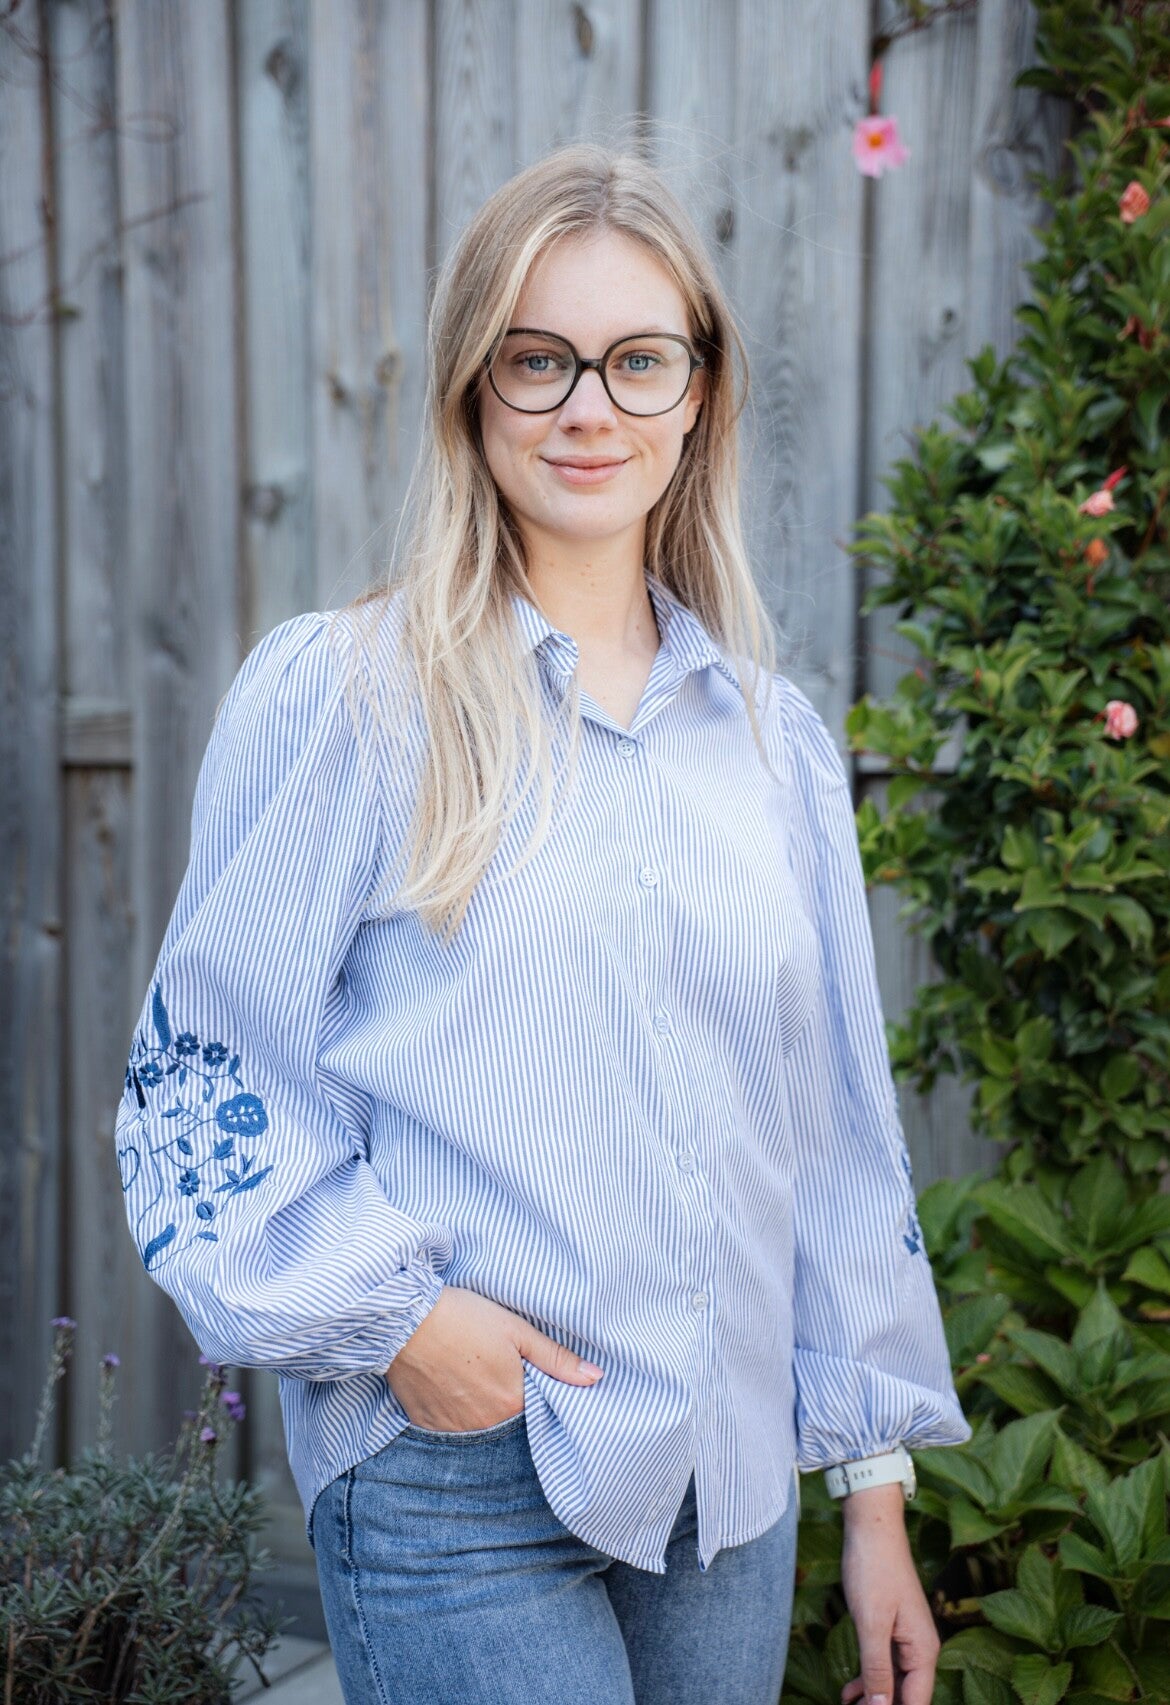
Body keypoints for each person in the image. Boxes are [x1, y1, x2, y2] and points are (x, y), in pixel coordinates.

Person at [115, 142, 971, 1705]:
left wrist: (873, 1493)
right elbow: (205, 1083)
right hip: (461, 1481)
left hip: (727, 1495)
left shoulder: (773, 745)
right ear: (472, 388)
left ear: (697, 391)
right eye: (539, 359)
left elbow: (837, 1134)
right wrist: (408, 1324)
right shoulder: (347, 697)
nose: (590, 406)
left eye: (638, 360)